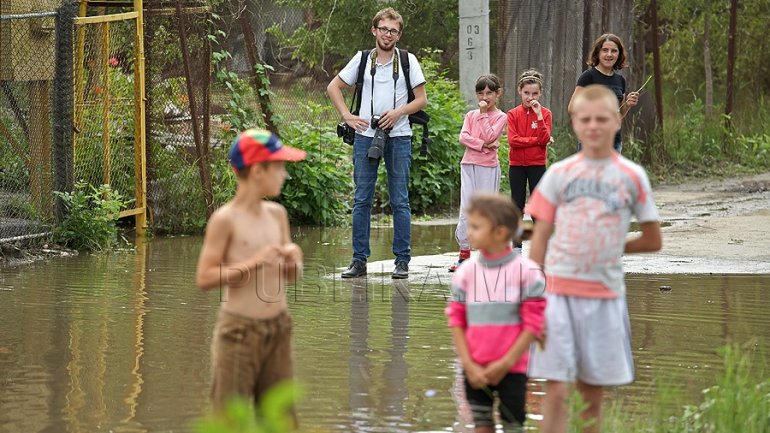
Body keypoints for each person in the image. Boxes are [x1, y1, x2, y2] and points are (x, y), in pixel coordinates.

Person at [527, 85, 662, 433]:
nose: (594, 126)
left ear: (617, 120)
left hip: (604, 298)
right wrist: (533, 297)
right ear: (574, 124)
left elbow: (652, 239)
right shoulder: (560, 174)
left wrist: (612, 246)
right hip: (558, 297)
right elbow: (540, 236)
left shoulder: (632, 176)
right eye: (585, 119)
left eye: (602, 119)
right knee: (555, 389)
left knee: (591, 392)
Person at [195, 128, 306, 420]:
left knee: (281, 420)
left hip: (279, 328)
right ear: (258, 171)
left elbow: (290, 277)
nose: (284, 175)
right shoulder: (225, 219)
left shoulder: (277, 215)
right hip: (239, 332)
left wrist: (294, 260)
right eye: (279, 167)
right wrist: (254, 262)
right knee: (229, 420)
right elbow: (204, 278)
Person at [327, 7, 427, 280]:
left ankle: (402, 262)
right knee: (361, 200)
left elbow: (421, 100)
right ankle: (359, 261)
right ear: (374, 30)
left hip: (399, 136)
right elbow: (333, 87)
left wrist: (398, 113)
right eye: (383, 29)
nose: (388, 34)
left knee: (400, 200)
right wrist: (347, 116)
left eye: (393, 30)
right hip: (365, 136)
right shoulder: (361, 59)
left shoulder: (407, 60)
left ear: (399, 35)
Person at [446, 193, 546, 433]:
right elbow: (456, 321)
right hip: (475, 367)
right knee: (481, 425)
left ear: (500, 233)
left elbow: (533, 324)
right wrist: (468, 365)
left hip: (512, 368)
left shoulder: (527, 272)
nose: (469, 232)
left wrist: (505, 363)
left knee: (513, 425)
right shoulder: (465, 273)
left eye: (477, 227)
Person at [450, 74, 508, 273]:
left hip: (488, 167)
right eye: (481, 92)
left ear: (497, 94)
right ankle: (464, 254)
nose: (485, 96)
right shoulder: (470, 115)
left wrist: (483, 115)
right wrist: (483, 145)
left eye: (489, 92)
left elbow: (492, 134)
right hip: (468, 165)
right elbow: (463, 137)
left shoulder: (501, 117)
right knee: (467, 208)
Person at [568, 33, 639, 153]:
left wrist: (627, 104)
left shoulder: (620, 80)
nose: (609, 54)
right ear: (598, 53)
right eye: (605, 50)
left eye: (614, 51)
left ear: (619, 54)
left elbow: (619, 114)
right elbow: (572, 108)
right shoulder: (588, 76)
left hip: (614, 142)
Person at [507, 69, 552, 251]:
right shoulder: (512, 114)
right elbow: (513, 140)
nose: (530, 97)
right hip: (516, 165)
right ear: (520, 91)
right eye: (526, 93)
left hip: (537, 165)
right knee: (516, 205)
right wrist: (535, 141)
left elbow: (545, 138)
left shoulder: (546, 113)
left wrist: (539, 116)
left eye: (534, 93)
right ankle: (516, 246)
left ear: (540, 93)